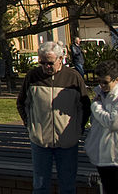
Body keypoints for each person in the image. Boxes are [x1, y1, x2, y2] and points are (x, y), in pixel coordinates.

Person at [17, 41, 91, 194]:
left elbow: (84, 106)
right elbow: (22, 103)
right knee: (40, 186)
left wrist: (77, 130)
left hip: (67, 141)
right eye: (42, 62)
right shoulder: (32, 76)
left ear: (60, 59)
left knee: (68, 186)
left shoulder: (73, 77)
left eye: (49, 63)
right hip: (40, 141)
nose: (46, 66)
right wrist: (30, 125)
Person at [85, 59, 118, 193]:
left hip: (115, 156)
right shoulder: (99, 93)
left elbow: (113, 123)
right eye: (99, 81)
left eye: (105, 82)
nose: (102, 85)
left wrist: (96, 107)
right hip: (101, 155)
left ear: (116, 79)